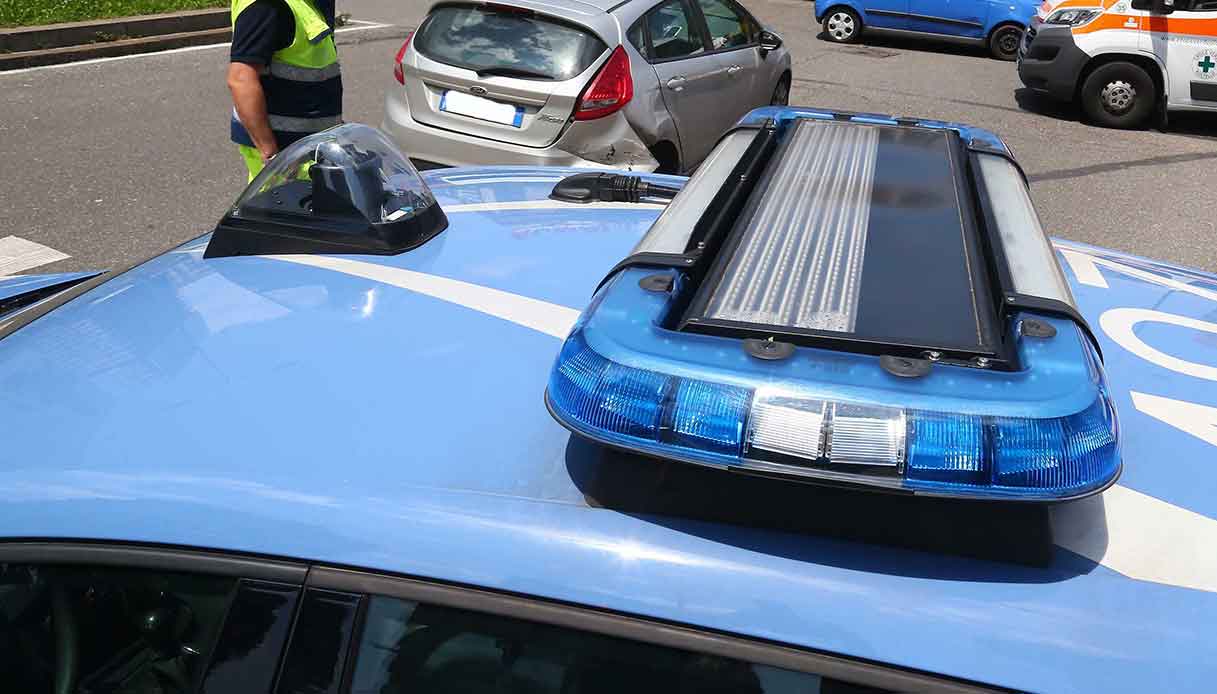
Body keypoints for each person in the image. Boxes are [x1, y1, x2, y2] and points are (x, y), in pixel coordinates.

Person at [227, 0, 343, 182]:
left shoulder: (305, 4)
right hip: (287, 154)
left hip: (308, 146)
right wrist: (272, 155)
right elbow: (241, 80)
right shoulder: (267, 7)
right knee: (281, 206)